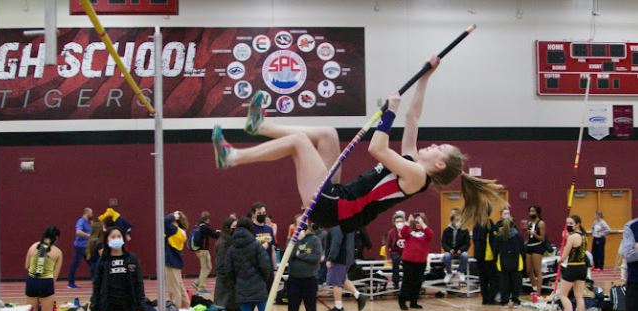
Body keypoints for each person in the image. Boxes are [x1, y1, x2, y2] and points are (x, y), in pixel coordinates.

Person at [212, 56, 505, 234]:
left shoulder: (416, 176)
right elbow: (414, 115)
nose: (434, 145)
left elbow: (377, 148)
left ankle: (232, 156)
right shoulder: (413, 160)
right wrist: (426, 76)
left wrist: (389, 112)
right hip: (339, 195)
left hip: (334, 208)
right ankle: (261, 126)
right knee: (327, 134)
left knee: (300, 142)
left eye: (440, 148)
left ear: (439, 164)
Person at [225, 217, 272, 311]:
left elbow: (228, 270)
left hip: (241, 287)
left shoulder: (232, 248)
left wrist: (235, 285)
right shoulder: (256, 244)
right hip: (259, 286)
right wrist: (264, 280)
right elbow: (265, 265)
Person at [90, 226, 146, 311]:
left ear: (123, 239)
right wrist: (95, 310)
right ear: (107, 240)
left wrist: (141, 308)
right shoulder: (103, 262)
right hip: (109, 307)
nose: (116, 239)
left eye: (119, 236)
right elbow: (96, 286)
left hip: (129, 306)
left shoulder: (131, 259)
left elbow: (138, 284)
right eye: (113, 237)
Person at [287, 215, 323, 311]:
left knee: (311, 310)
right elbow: (288, 256)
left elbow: (316, 257)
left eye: (304, 222)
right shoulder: (291, 240)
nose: (302, 225)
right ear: (295, 225)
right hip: (294, 280)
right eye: (299, 223)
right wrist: (297, 241)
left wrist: (299, 255)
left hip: (310, 280)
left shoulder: (314, 239)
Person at [324, 226, 367, 311]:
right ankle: (358, 295)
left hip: (339, 258)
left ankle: (338, 307)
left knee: (336, 282)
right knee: (343, 279)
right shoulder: (347, 225)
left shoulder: (337, 226)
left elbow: (336, 242)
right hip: (348, 257)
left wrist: (331, 258)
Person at [558, 215, 589, 311]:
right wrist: (567, 237)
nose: (569, 225)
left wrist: (559, 260)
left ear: (577, 224)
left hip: (573, 268)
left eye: (571, 223)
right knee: (579, 296)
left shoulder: (572, 237)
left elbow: (564, 255)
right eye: (567, 223)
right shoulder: (584, 236)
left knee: (563, 295)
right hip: (582, 267)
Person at [24, 226, 63, 311]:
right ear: (56, 238)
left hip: (31, 281)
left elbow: (26, 266)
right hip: (46, 282)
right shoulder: (58, 252)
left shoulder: (33, 247)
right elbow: (55, 276)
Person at [398, 212, 433, 310]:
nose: (418, 223)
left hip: (421, 262)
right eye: (416, 221)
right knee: (407, 281)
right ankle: (402, 301)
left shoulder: (426, 233)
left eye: (419, 221)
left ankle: (414, 302)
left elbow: (431, 235)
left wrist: (422, 224)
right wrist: (408, 222)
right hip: (408, 261)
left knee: (417, 282)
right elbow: (403, 234)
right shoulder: (409, 232)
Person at [215, 217, 240, 311]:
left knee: (237, 310)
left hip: (236, 283)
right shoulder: (223, 243)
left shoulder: (234, 242)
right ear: (227, 228)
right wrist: (229, 282)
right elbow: (220, 267)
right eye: (234, 227)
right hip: (227, 283)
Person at [494, 217, 525, 308]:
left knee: (504, 282)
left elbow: (495, 250)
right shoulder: (518, 235)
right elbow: (522, 250)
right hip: (516, 262)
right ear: (513, 225)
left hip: (503, 262)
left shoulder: (499, 236)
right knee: (516, 282)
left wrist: (496, 260)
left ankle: (504, 302)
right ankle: (515, 301)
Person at [473, 207, 499, 304]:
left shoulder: (476, 225)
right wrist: (495, 255)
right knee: (493, 278)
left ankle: (485, 299)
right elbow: (493, 242)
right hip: (488, 256)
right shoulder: (490, 224)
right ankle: (491, 299)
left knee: (483, 279)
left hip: (479, 256)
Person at [165, 211, 190, 308]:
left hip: (171, 263)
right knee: (180, 287)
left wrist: (172, 216)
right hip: (176, 263)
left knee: (174, 290)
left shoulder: (174, 230)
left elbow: (163, 222)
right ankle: (186, 308)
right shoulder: (181, 231)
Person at [193, 211, 220, 293]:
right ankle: (201, 287)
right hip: (203, 251)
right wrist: (221, 233)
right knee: (205, 268)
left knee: (207, 267)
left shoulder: (199, 226)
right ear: (208, 219)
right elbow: (214, 235)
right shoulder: (205, 227)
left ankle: (197, 282)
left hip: (199, 250)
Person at [441, 213, 471, 284]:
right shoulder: (446, 230)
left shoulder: (465, 230)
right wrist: (449, 249)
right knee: (446, 256)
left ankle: (460, 272)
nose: (458, 222)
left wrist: (461, 249)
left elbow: (467, 243)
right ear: (452, 221)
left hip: (460, 252)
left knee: (465, 255)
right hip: (450, 251)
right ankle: (449, 273)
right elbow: (443, 243)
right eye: (456, 220)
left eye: (460, 220)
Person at [67, 208, 92, 289]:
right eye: (91, 212)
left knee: (93, 264)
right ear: (87, 212)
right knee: (76, 263)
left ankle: (97, 281)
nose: (92, 214)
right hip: (80, 247)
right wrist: (88, 235)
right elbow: (78, 232)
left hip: (86, 247)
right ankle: (70, 283)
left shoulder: (87, 223)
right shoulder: (81, 221)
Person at [525, 205, 547, 296]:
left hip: (537, 247)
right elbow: (529, 237)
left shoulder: (541, 223)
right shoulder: (529, 223)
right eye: (530, 211)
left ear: (537, 212)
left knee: (537, 270)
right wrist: (526, 242)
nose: (531, 213)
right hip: (529, 246)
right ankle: (534, 287)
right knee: (529, 270)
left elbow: (542, 238)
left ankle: (538, 292)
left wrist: (534, 234)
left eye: (533, 211)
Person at [386, 211, 406, 289]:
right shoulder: (391, 232)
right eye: (397, 221)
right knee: (396, 259)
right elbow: (387, 246)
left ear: (404, 222)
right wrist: (388, 257)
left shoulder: (408, 231)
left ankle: (406, 282)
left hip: (406, 252)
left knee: (407, 263)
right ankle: (396, 281)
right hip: (396, 252)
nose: (399, 223)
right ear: (394, 222)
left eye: (401, 221)